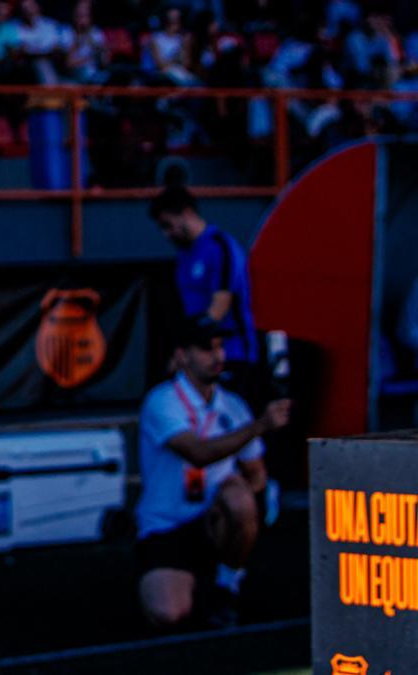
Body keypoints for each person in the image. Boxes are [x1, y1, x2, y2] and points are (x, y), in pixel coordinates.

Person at [135, 319, 289, 628]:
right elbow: (198, 453)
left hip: (212, 520)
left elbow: (256, 471)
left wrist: (247, 509)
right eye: (206, 348)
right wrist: (261, 425)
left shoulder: (233, 405)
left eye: (220, 347)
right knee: (167, 614)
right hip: (167, 523)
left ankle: (227, 584)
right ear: (182, 356)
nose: (217, 356)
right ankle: (199, 582)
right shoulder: (162, 401)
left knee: (239, 498)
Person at [150, 186, 259, 401]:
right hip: (197, 359)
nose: (167, 234)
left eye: (167, 225)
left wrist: (185, 349)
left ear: (187, 213)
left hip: (231, 356)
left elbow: (218, 310)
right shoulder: (183, 255)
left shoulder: (220, 247)